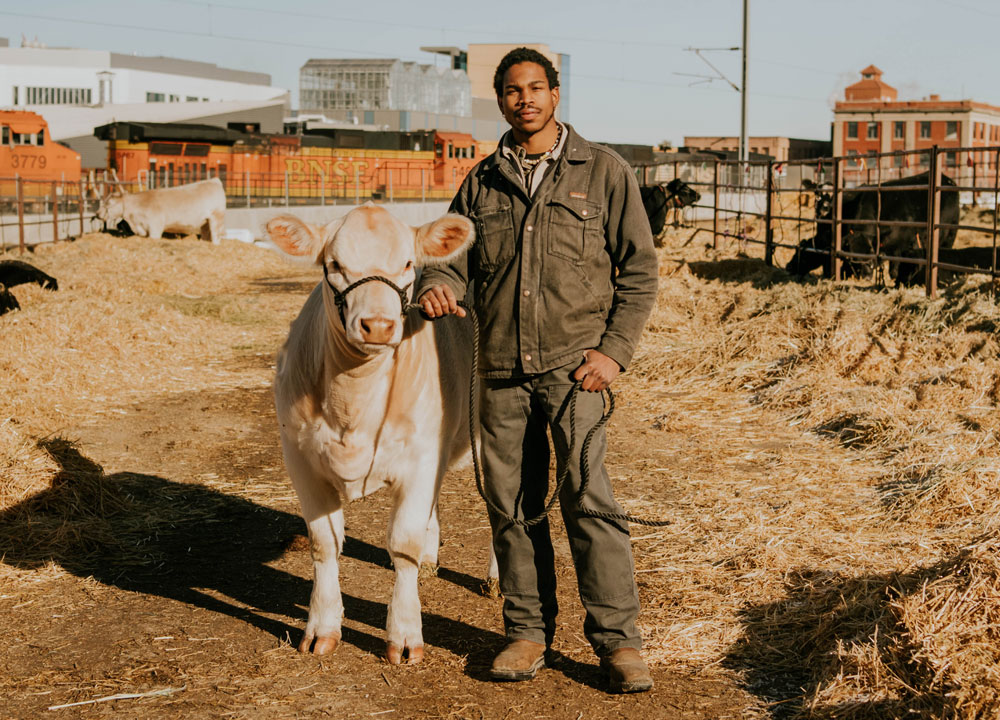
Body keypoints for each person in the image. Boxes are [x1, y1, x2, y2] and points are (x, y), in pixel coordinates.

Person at [417, 47, 658, 693]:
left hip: (575, 369)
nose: (525, 100)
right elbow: (448, 256)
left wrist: (613, 352)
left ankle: (618, 643)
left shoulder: (603, 171)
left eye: (535, 88)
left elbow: (639, 271)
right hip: (497, 369)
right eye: (512, 91)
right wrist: (435, 284)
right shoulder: (481, 180)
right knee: (513, 508)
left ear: (555, 94)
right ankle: (527, 634)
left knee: (589, 502)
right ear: (501, 101)